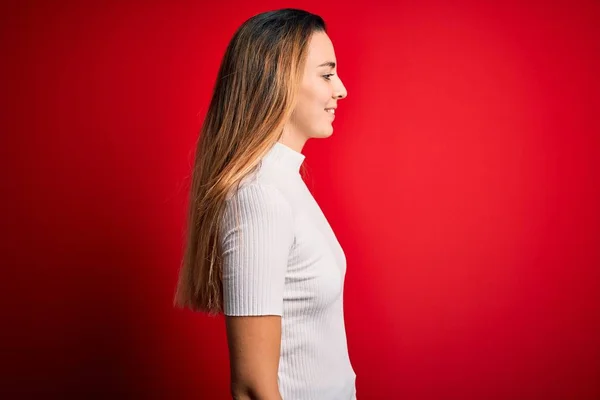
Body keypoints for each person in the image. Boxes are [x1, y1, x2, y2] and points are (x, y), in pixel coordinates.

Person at [174, 8, 355, 399]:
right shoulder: (259, 196)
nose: (340, 89)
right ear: (279, 81)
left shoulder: (284, 182)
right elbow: (253, 386)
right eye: (326, 74)